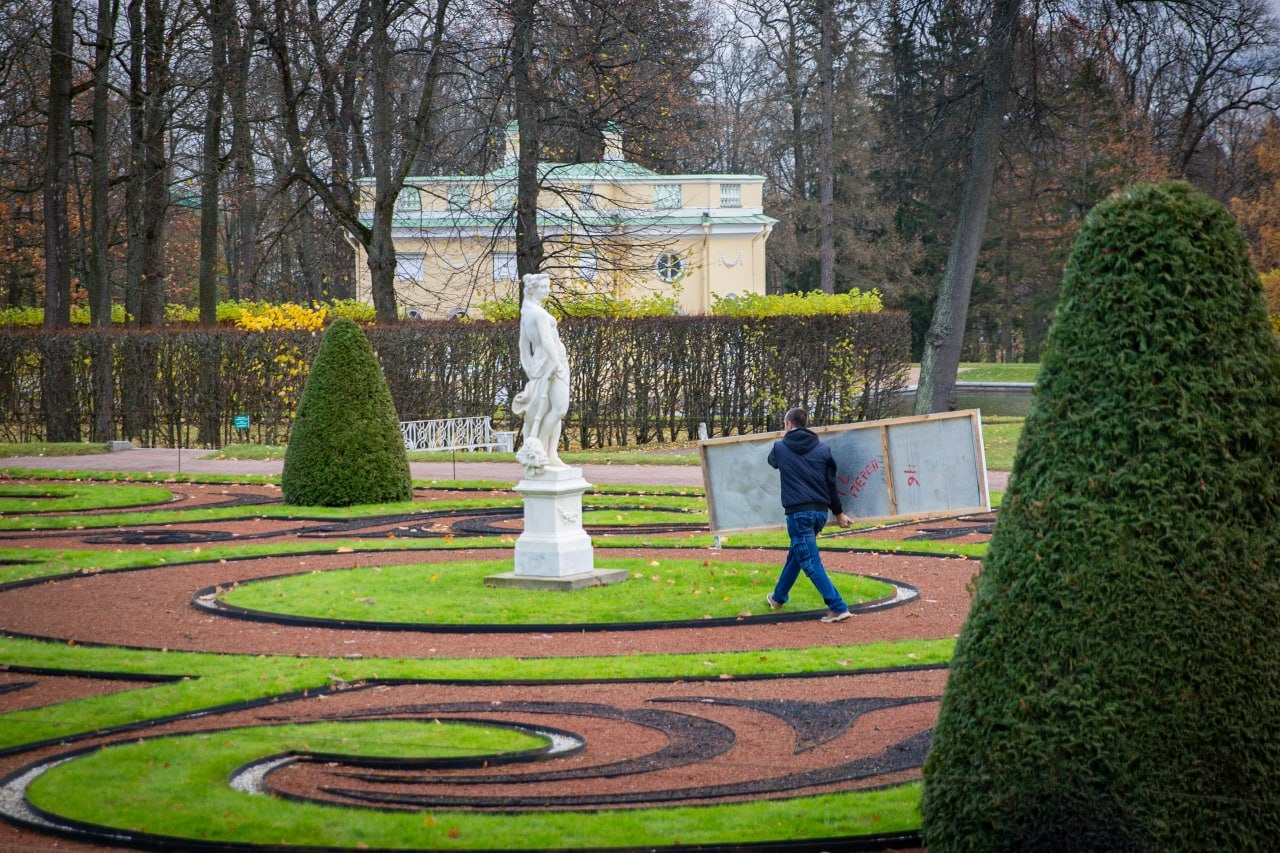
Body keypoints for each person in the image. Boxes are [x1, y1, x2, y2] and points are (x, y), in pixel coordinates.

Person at [766, 406, 854, 622]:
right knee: (797, 554)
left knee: (810, 561)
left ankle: (838, 606)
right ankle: (778, 597)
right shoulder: (823, 449)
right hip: (819, 514)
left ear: (788, 425)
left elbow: (772, 462)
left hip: (798, 513)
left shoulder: (780, 447)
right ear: (806, 425)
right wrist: (839, 513)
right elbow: (830, 484)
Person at [512, 272, 571, 475]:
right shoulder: (538, 314)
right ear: (533, 289)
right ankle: (540, 449)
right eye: (544, 287)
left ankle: (550, 454)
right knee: (560, 409)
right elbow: (546, 341)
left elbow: (523, 345)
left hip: (541, 364)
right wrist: (555, 363)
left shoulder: (527, 311)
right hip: (552, 365)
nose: (548, 290)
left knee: (551, 411)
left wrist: (529, 366)